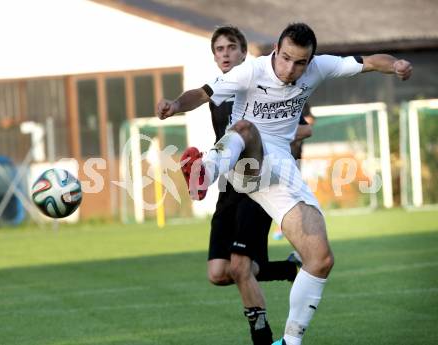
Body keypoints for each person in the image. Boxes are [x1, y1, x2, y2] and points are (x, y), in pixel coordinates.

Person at [157, 22, 412, 345]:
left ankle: (290, 341)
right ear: (276, 50)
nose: (290, 68)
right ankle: (204, 172)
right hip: (241, 159)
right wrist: (175, 105)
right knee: (246, 128)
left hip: (279, 168)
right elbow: (203, 92)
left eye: (300, 62)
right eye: (285, 58)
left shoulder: (319, 68)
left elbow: (369, 62)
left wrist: (397, 66)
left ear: (310, 60)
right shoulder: (251, 71)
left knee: (320, 259)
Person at [207, 26, 309, 345]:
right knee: (218, 273)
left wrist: (265, 142)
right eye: (219, 49)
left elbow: (304, 129)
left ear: (243, 54)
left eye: (231, 48)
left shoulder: (266, 84)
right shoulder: (217, 93)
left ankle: (263, 338)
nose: (225, 54)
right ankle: (286, 269)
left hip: (258, 181)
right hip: (228, 185)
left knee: (239, 267)